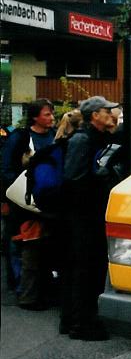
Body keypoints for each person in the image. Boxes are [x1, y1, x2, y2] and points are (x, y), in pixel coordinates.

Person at [59, 96, 119, 340]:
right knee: (84, 270)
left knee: (85, 270)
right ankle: (80, 325)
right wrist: (100, 183)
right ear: (95, 115)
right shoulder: (83, 140)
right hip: (83, 217)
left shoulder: (96, 138)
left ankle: (74, 320)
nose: (111, 114)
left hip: (87, 215)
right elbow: (74, 179)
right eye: (107, 111)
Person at [1, 99, 56, 310]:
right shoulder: (20, 137)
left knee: (39, 243)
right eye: (47, 115)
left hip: (44, 199)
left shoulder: (52, 136)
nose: (51, 118)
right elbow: (5, 168)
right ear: (35, 117)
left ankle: (37, 289)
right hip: (21, 200)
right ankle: (21, 288)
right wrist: (8, 197)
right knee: (21, 243)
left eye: (52, 114)